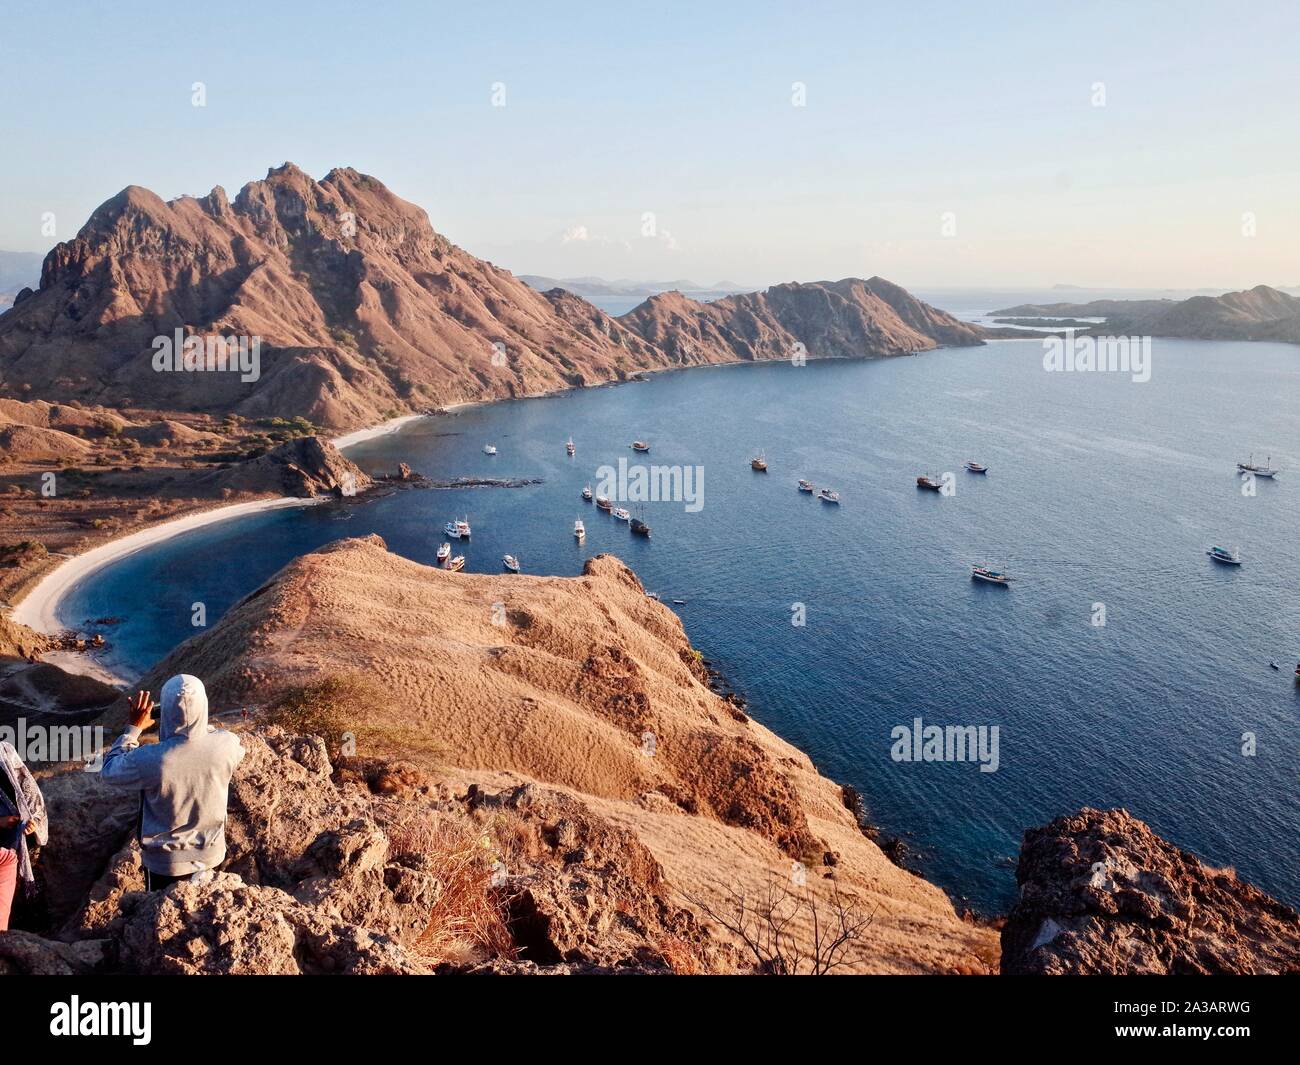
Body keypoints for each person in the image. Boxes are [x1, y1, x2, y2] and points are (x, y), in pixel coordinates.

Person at [100, 674, 244, 891]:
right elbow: (210, 737)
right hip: (212, 854)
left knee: (161, 913)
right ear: (204, 706)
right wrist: (197, 724)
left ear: (165, 712)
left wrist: (133, 728)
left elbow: (110, 771)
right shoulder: (227, 744)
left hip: (166, 864)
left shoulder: (151, 759)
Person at [0, 740, 48, 931]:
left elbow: (33, 802)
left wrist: (32, 824)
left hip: (25, 845)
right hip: (3, 848)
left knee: (28, 891)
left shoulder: (5, 753)